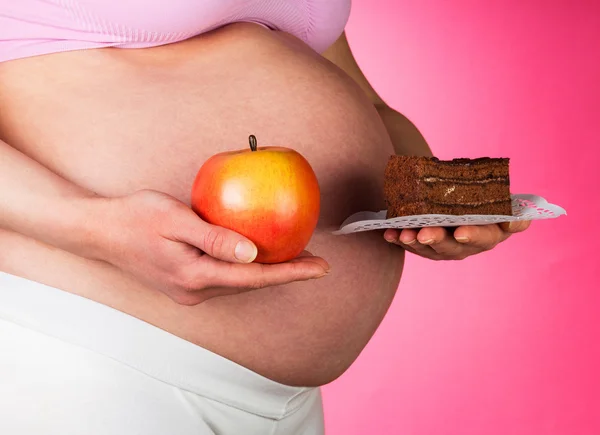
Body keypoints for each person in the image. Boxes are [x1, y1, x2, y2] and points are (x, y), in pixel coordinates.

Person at [0, 1, 530, 434]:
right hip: (91, 348)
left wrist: (437, 199)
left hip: (287, 401)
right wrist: (96, 227)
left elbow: (371, 106)